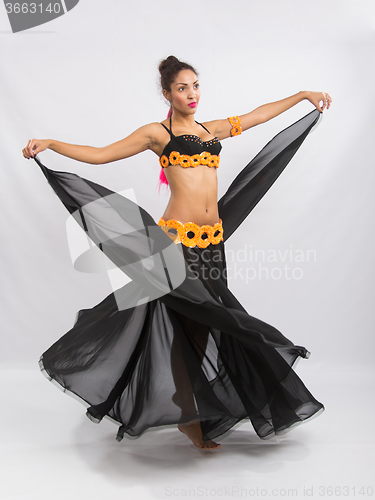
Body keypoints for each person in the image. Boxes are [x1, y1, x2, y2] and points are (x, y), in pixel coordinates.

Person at [23, 55, 332, 451]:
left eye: (196, 86)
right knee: (191, 321)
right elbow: (102, 153)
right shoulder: (158, 133)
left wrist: (302, 95)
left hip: (211, 245)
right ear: (167, 93)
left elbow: (257, 116)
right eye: (182, 88)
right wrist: (51, 144)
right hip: (176, 243)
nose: (192, 94)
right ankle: (188, 414)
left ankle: (190, 410)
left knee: (203, 326)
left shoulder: (212, 129)